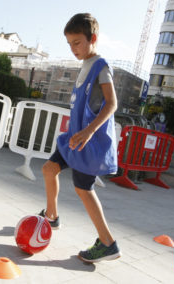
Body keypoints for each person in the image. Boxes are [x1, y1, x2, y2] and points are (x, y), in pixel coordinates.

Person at [39, 13, 120, 263]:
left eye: (77, 42)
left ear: (92, 38)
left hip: (88, 142)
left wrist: (89, 130)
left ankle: (108, 243)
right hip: (75, 139)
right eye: (69, 43)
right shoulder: (85, 64)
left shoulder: (100, 66)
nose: (73, 48)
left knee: (83, 189)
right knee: (49, 168)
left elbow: (112, 104)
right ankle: (51, 216)